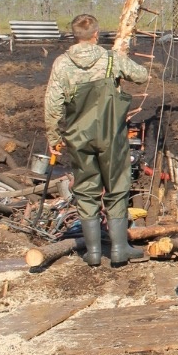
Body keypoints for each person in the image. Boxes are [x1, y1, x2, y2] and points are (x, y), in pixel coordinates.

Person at [44, 14, 149, 267]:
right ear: (95, 34)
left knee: (85, 190)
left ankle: (92, 253)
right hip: (110, 136)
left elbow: (52, 105)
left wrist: (54, 137)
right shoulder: (110, 59)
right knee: (117, 188)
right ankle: (119, 249)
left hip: (78, 137)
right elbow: (142, 75)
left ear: (74, 36)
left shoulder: (62, 63)